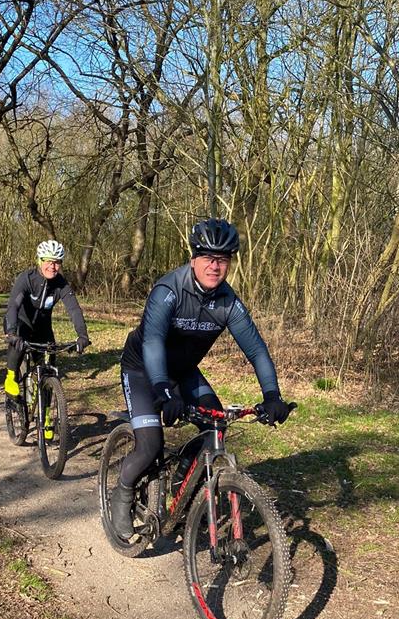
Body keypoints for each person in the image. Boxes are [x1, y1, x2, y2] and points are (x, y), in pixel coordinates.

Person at [110, 217, 295, 540]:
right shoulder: (168, 291)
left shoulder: (228, 302)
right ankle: (122, 493)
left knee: (216, 426)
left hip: (182, 372)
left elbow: (257, 351)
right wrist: (163, 391)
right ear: (193, 258)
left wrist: (272, 396)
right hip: (143, 370)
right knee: (151, 444)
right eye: (208, 258)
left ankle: (185, 490)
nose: (215, 266)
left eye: (222, 260)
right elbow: (153, 342)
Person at [3, 240, 90, 398]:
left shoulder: (61, 285)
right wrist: (11, 332)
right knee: (18, 343)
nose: (53, 266)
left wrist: (82, 335)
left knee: (50, 368)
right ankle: (11, 377)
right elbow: (13, 306)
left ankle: (48, 414)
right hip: (21, 322)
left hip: (43, 327)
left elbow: (74, 309)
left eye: (57, 262)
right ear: (39, 260)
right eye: (48, 261)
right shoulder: (27, 279)